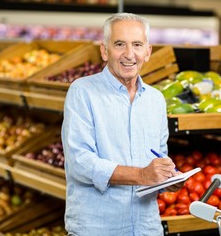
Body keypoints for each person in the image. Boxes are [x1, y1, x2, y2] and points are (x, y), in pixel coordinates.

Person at [61, 12, 182, 236]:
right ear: (105, 51)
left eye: (137, 44)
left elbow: (159, 156)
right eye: (119, 44)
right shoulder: (82, 91)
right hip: (97, 228)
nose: (129, 54)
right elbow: (80, 162)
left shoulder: (155, 99)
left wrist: (168, 178)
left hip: (147, 228)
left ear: (148, 52)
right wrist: (142, 175)